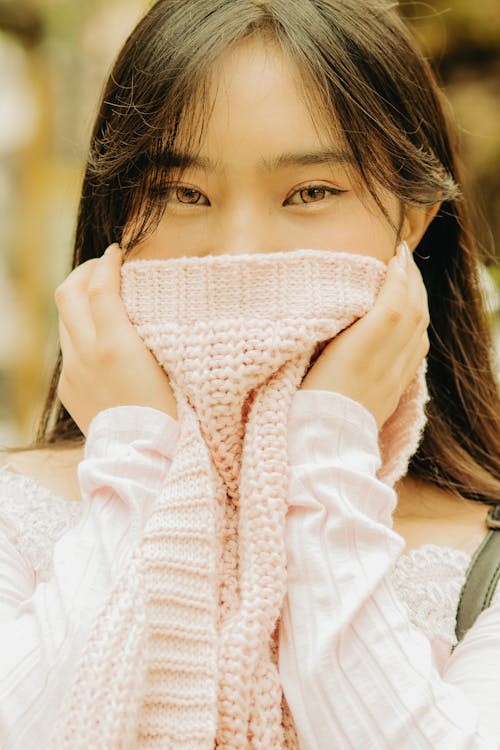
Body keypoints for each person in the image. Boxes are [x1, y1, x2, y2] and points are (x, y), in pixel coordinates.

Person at [1, 0, 500, 748]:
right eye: (182, 194)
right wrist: (136, 464)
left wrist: (326, 460)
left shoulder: (482, 564)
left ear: (415, 219)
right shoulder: (17, 520)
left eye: (309, 193)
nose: (240, 251)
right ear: (115, 222)